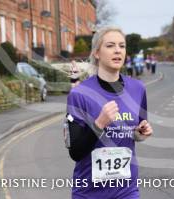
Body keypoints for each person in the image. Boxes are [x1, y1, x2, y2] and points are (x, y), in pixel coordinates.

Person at [64, 27, 153, 199]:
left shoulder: (138, 89)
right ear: (97, 53)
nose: (118, 50)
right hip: (88, 192)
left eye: (122, 45)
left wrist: (142, 132)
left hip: (126, 190)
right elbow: (75, 152)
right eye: (110, 45)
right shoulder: (79, 94)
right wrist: (99, 124)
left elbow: (136, 134)